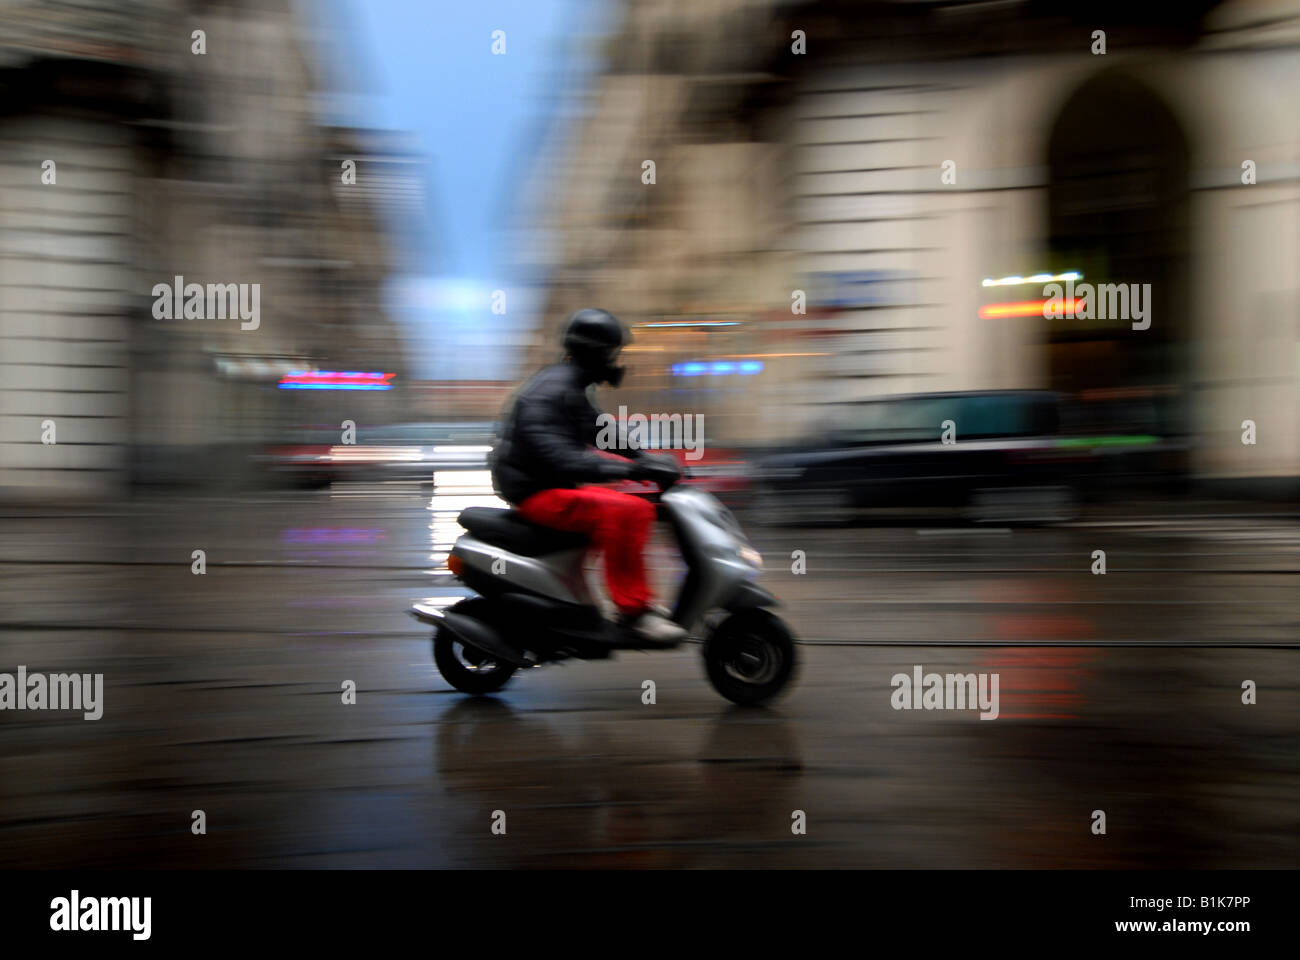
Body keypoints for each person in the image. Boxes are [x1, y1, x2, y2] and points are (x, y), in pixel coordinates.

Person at [489, 308, 687, 645]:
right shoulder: (550, 391)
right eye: (612, 353)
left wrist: (648, 458)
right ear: (594, 353)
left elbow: (601, 431)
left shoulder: (568, 385)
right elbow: (561, 458)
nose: (615, 361)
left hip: (550, 489)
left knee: (635, 508)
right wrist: (634, 469)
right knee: (627, 510)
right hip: (536, 495)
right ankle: (633, 613)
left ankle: (625, 606)